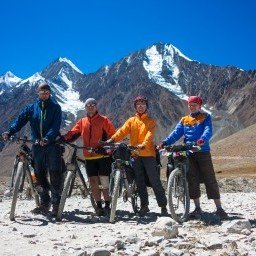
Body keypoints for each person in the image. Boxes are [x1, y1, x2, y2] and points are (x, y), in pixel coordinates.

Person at [160, 96, 228, 219]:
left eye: (194, 105)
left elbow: (208, 130)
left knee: (209, 178)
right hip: (188, 152)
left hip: (202, 151)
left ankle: (219, 208)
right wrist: (165, 142)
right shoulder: (184, 120)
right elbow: (176, 133)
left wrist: (202, 139)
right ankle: (197, 208)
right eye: (190, 105)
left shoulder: (205, 117)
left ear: (199, 106)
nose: (192, 107)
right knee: (192, 179)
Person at [2, 83, 63, 216]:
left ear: (50, 93)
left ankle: (56, 204)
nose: (44, 94)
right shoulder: (31, 108)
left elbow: (55, 125)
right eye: (42, 92)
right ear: (38, 93)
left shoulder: (55, 107)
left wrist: (47, 138)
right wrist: (10, 131)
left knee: (54, 173)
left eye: (47, 92)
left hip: (52, 145)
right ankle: (44, 202)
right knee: (39, 174)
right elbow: (20, 121)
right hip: (37, 146)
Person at [106, 96, 168, 217]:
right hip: (135, 155)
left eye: (143, 104)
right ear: (135, 107)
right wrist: (112, 139)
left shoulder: (151, 121)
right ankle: (144, 206)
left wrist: (143, 145)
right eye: (138, 104)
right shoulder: (131, 121)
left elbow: (150, 135)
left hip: (148, 154)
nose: (140, 106)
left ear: (146, 106)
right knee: (139, 181)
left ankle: (163, 206)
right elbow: (122, 131)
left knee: (155, 181)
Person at [61, 98, 115, 216]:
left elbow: (113, 136)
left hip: (103, 156)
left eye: (93, 104)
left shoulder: (104, 120)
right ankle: (99, 206)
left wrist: (105, 147)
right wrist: (63, 138)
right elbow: (73, 133)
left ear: (96, 107)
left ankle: (107, 204)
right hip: (89, 157)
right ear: (85, 107)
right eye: (88, 105)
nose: (90, 107)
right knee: (93, 181)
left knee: (104, 181)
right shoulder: (82, 121)